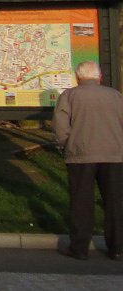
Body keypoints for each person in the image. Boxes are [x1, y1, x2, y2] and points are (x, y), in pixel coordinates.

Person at [52, 60, 123, 260]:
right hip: (113, 155)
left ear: (77, 77)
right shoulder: (116, 96)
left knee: (81, 202)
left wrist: (65, 145)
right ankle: (117, 248)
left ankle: (79, 248)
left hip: (80, 155)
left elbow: (60, 126)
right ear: (99, 77)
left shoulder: (69, 96)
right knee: (115, 201)